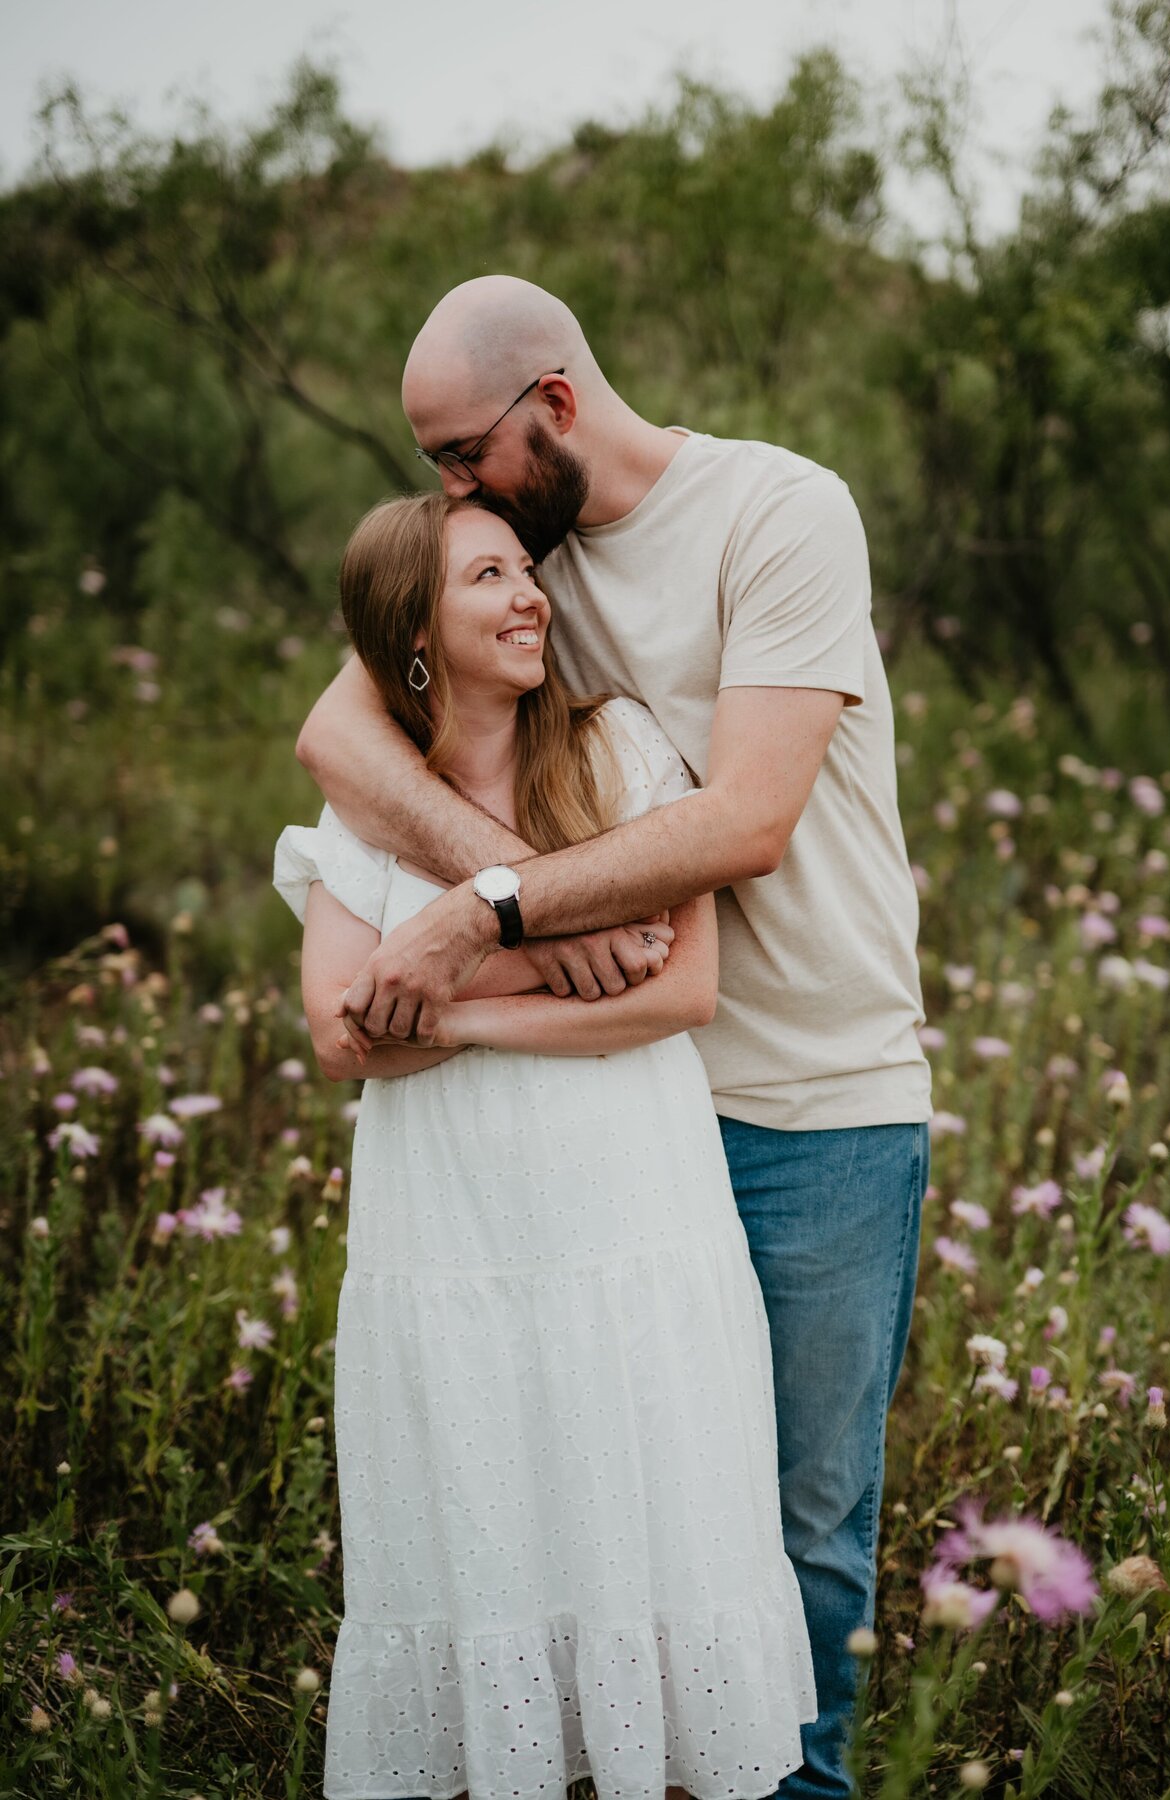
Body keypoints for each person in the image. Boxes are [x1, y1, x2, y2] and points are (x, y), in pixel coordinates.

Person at [296, 277, 933, 1799]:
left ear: (555, 409)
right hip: (616, 1115)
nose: (452, 492)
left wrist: (483, 916)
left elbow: (746, 820)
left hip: (812, 1102)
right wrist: (510, 905)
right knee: (610, 1531)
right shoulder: (528, 561)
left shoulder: (780, 512)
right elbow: (340, 730)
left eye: (463, 454)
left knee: (793, 1539)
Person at [274, 491, 818, 1800]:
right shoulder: (373, 804)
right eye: (487, 578)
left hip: (631, 1204)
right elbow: (342, 1034)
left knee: (656, 1542)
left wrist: (454, 997)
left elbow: (682, 991)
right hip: (450, 1228)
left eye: (529, 571)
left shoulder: (618, 749)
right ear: (414, 628)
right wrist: (541, 987)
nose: (529, 595)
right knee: (488, 1537)